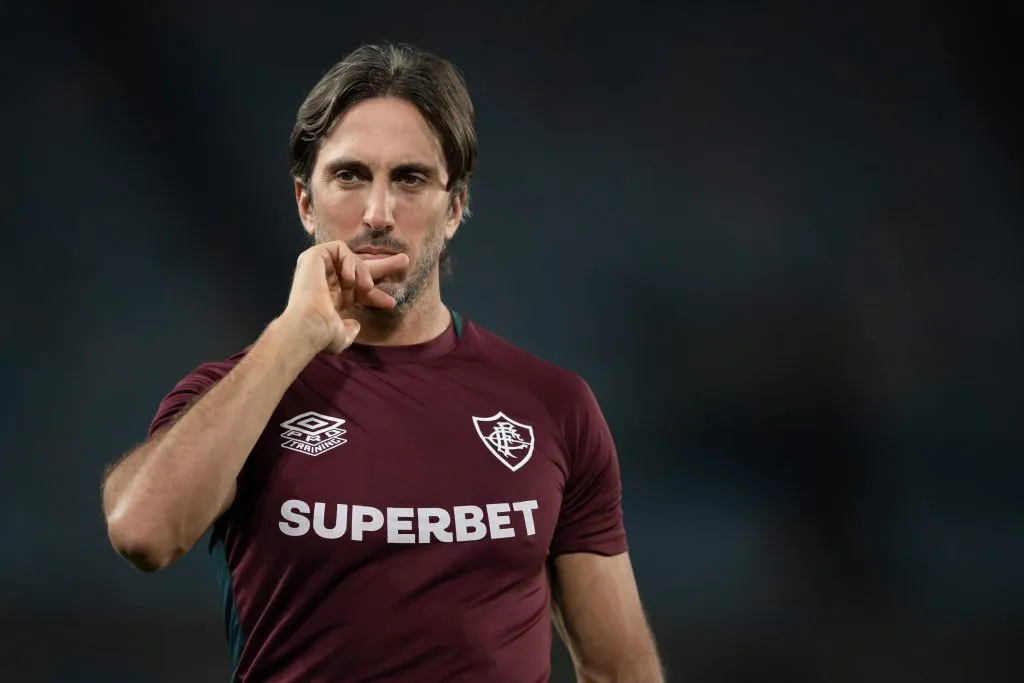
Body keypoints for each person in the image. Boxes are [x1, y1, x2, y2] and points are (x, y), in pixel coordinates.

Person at [101, 42, 664, 683]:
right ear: (305, 203)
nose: (377, 214)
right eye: (349, 176)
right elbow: (142, 532)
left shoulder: (554, 407)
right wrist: (292, 339)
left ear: (454, 209)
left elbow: (620, 668)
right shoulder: (238, 394)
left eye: (410, 179)